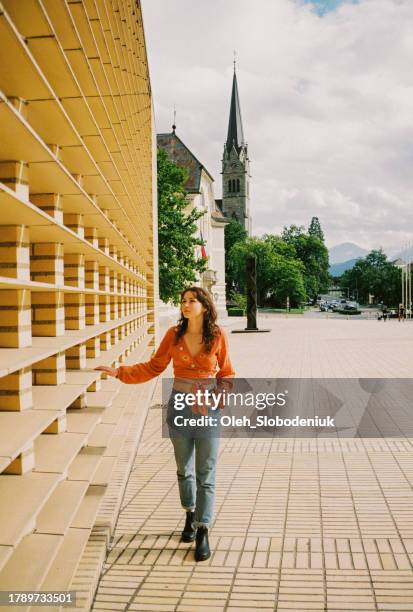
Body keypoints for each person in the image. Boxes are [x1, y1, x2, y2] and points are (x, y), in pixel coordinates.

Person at [95, 286, 235, 562]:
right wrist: (119, 372)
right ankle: (189, 514)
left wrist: (219, 397)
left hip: (208, 409)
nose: (185, 305)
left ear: (204, 306)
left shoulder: (218, 336)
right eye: (183, 300)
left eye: (192, 301)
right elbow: (153, 366)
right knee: (184, 468)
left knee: (206, 471)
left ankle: (203, 529)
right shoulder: (173, 334)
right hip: (180, 406)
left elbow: (228, 373)